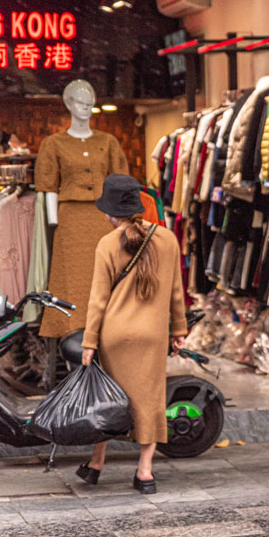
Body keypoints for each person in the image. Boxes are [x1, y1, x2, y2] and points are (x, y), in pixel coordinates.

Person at [76, 174, 188, 495]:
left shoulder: (107, 244)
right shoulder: (167, 239)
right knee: (149, 401)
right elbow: (176, 292)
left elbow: (98, 299)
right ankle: (145, 473)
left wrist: (89, 342)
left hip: (115, 336)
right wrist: (178, 330)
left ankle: (96, 464)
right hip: (152, 336)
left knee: (108, 400)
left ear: (110, 212)